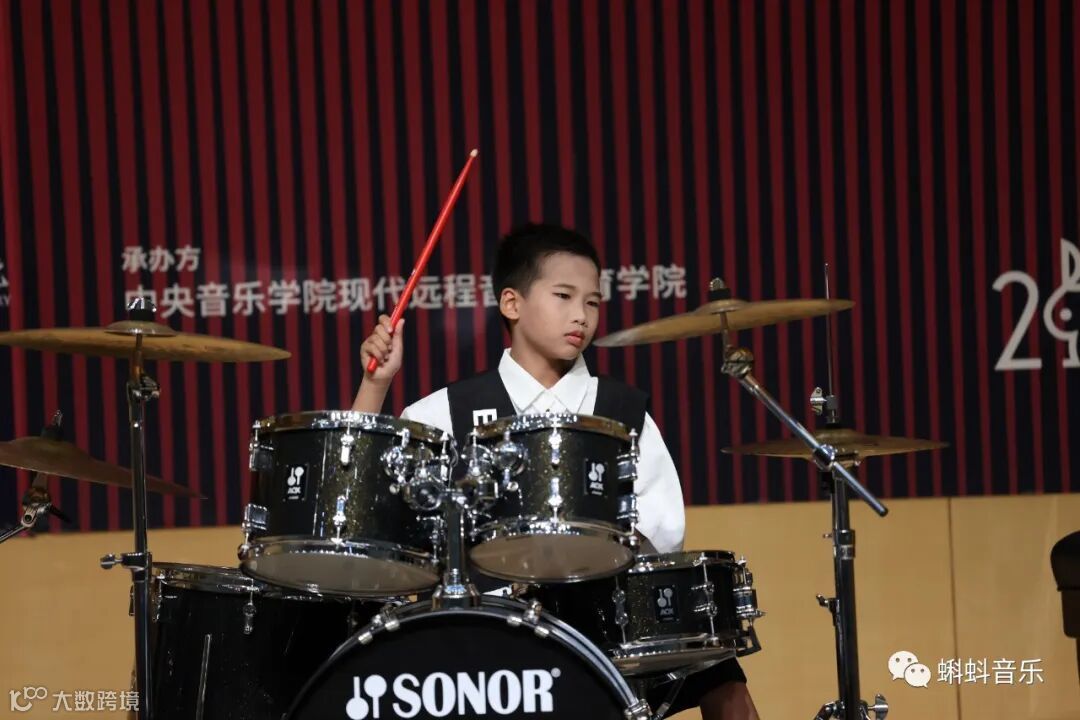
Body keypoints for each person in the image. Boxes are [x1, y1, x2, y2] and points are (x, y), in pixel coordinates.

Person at [352, 222, 760, 720]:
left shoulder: (621, 409)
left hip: (603, 618)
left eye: (592, 302)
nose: (581, 315)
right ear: (511, 303)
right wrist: (376, 385)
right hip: (485, 629)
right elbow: (363, 504)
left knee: (720, 668)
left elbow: (662, 532)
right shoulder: (446, 412)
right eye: (563, 296)